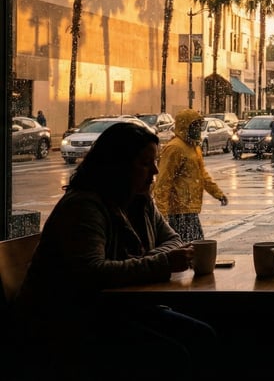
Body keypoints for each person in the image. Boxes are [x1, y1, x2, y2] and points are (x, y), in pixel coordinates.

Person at [14, 122, 218, 380]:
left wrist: (149, 261)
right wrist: (159, 262)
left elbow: (174, 240)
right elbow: (92, 272)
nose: (155, 171)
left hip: (114, 312)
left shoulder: (139, 201)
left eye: (154, 162)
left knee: (202, 335)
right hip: (68, 324)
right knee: (175, 354)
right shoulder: (84, 208)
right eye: (145, 164)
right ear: (118, 165)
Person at [152, 109, 228, 242]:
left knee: (197, 249)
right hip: (177, 211)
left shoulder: (194, 147)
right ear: (185, 127)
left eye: (199, 126)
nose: (198, 129)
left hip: (190, 210)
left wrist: (218, 193)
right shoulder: (175, 148)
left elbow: (202, 175)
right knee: (187, 250)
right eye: (195, 126)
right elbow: (163, 182)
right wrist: (162, 213)